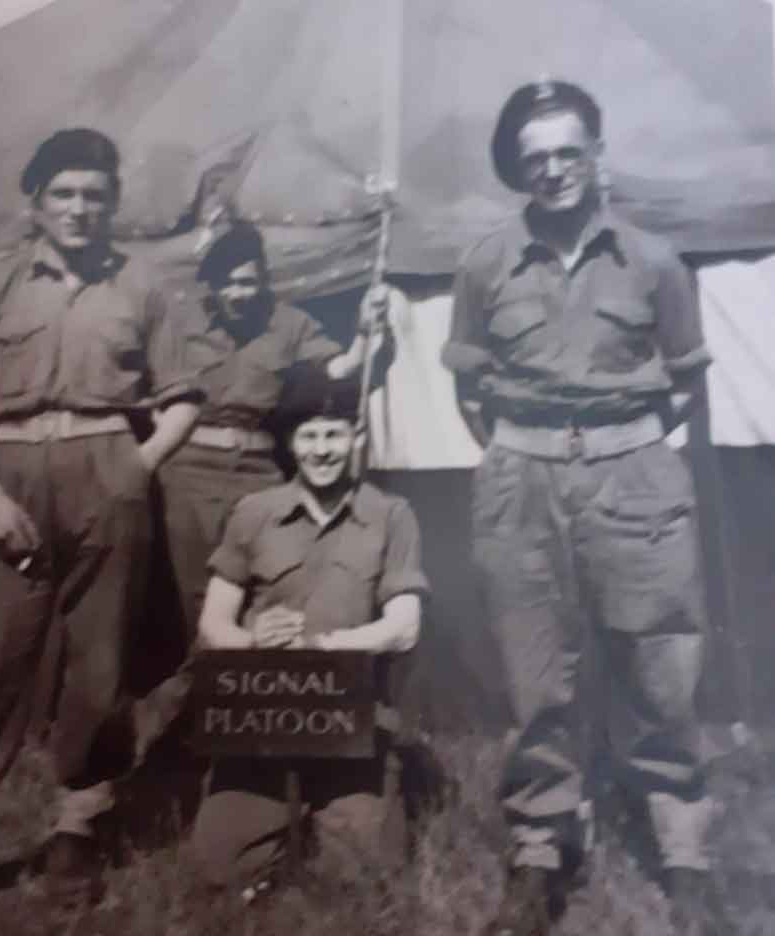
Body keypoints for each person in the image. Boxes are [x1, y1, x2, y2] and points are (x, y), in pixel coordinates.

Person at [0, 129, 203, 931]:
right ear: (35, 202)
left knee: (99, 665)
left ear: (113, 203)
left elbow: (181, 396)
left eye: (95, 195)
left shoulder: (144, 285)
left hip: (108, 470)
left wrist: (137, 467)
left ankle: (77, 830)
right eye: (63, 193)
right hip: (14, 471)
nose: (79, 208)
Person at [442, 81, 717, 935]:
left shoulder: (654, 261)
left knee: (659, 663)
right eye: (536, 158)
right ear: (517, 169)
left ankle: (683, 847)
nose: (554, 170)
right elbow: (470, 387)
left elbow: (685, 378)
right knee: (536, 670)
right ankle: (543, 841)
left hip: (632, 471)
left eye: (569, 152)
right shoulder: (486, 263)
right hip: (522, 478)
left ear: (598, 154)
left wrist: (619, 447)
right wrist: (528, 450)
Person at [190, 369, 429, 890]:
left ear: (355, 437)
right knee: (221, 871)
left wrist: (325, 648)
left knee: (365, 874)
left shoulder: (391, 515)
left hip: (352, 715)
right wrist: (253, 640)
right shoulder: (253, 512)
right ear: (291, 443)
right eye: (309, 436)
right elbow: (212, 626)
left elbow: (404, 627)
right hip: (263, 715)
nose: (322, 450)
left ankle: (339, 810)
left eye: (334, 435)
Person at [158, 221, 386, 638]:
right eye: (227, 283)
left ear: (263, 280)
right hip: (189, 472)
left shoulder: (289, 323)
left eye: (248, 282)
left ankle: (253, 671)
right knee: (192, 590)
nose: (238, 294)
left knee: (263, 581)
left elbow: (337, 369)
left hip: (258, 473)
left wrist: (364, 335)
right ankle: (203, 674)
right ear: (211, 285)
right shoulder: (178, 322)